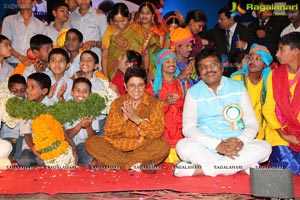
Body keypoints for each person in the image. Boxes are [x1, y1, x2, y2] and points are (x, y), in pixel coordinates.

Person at [174, 47, 271, 177]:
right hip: (206, 147)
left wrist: (241, 140)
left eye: (213, 65)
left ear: (221, 67)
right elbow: (189, 128)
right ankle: (239, 166)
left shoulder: (238, 87)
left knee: (265, 147)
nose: (209, 70)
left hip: (237, 145)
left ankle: (202, 170)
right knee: (183, 146)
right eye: (203, 67)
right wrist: (217, 145)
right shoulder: (193, 93)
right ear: (198, 72)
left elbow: (251, 122)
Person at [85, 66, 170, 173]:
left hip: (142, 146)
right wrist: (124, 119)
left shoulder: (155, 104)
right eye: (132, 85)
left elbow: (157, 132)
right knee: (91, 142)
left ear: (145, 86)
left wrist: (137, 120)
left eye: (140, 85)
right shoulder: (117, 103)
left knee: (163, 147)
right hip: (119, 146)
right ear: (125, 86)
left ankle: (114, 163)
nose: (136, 90)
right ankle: (137, 165)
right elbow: (109, 132)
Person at [262, 32, 300, 174]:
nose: (277, 54)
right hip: (279, 131)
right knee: (284, 164)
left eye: (281, 49)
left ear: (295, 51)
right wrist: (283, 134)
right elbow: (268, 109)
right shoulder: (275, 75)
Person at [146, 49, 188, 163]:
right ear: (160, 64)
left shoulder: (183, 83)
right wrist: (165, 103)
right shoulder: (152, 86)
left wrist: (179, 100)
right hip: (161, 133)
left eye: (174, 60)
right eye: (167, 61)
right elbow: (147, 110)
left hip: (180, 132)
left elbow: (190, 107)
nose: (172, 64)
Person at [101, 3, 160, 80]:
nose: (119, 24)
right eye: (116, 21)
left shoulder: (138, 30)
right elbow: (105, 55)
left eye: (122, 21)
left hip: (135, 73)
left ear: (128, 16)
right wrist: (106, 77)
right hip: (113, 73)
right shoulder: (109, 30)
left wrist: (145, 70)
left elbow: (145, 53)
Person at [231, 44, 273, 140]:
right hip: (237, 130)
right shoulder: (236, 79)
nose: (252, 61)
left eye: (258, 59)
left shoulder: (268, 82)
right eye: (250, 58)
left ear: (265, 64)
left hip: (261, 132)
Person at [17, 73, 55, 167]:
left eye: (32, 87)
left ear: (44, 91)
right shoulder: (26, 107)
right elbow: (26, 133)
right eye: (27, 86)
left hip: (48, 145)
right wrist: (33, 148)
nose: (27, 90)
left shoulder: (52, 107)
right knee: (24, 161)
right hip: (30, 146)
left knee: (44, 161)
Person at [65, 78, 99, 166]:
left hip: (85, 145)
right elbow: (68, 135)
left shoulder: (93, 109)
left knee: (89, 159)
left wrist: (88, 126)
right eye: (78, 90)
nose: (81, 94)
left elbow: (92, 136)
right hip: (69, 144)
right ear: (72, 92)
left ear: (90, 94)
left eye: (85, 91)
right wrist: (80, 125)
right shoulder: (67, 108)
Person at [1, 0, 46, 66]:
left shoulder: (40, 25)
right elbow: (5, 43)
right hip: (12, 62)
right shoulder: (9, 20)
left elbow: (41, 48)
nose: (22, 1)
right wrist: (20, 57)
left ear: (33, 2)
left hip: (32, 65)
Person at [69, 0, 107, 65]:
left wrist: (93, 43)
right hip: (75, 62)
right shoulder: (71, 17)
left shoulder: (100, 16)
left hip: (94, 62)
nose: (84, 1)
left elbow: (107, 43)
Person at [0, 74, 26, 160]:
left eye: (22, 90)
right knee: (7, 148)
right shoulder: (4, 103)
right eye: (15, 91)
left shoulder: (29, 103)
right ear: (9, 91)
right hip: (8, 138)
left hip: (24, 139)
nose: (19, 94)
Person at [138, 2, 165, 79]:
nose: (144, 16)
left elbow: (160, 52)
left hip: (154, 66)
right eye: (142, 13)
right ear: (139, 14)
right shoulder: (134, 29)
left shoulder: (158, 32)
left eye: (148, 13)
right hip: (137, 63)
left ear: (153, 16)